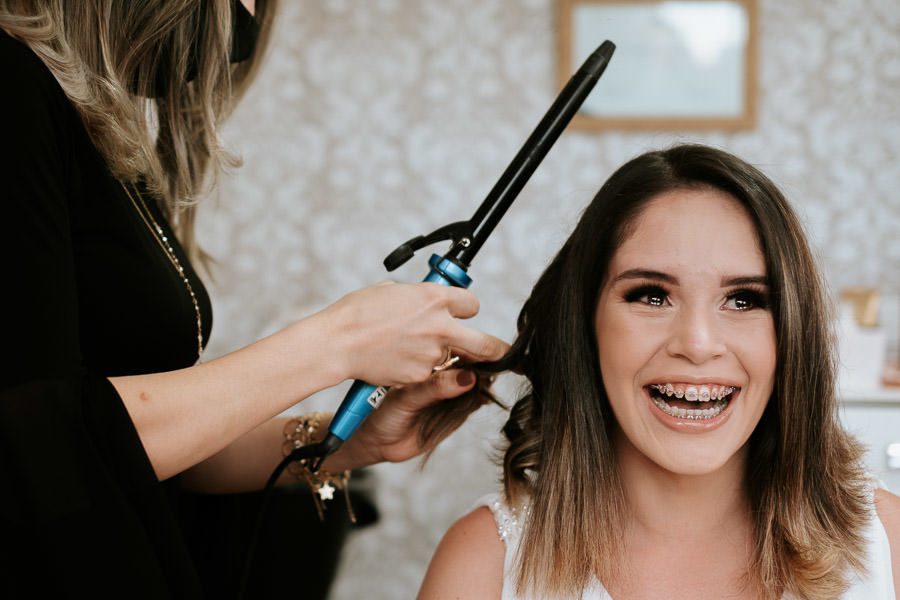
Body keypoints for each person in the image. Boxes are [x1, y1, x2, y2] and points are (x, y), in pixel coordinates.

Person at [0, 0, 507, 596]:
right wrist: (339, 341)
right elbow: (37, 447)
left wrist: (338, 443)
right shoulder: (9, 91)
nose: (253, 16)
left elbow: (144, 459)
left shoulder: (98, 139)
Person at [418, 144, 900, 599]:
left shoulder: (889, 547)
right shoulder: (482, 563)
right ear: (586, 324)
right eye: (651, 296)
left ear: (792, 335)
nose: (697, 344)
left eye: (744, 299)